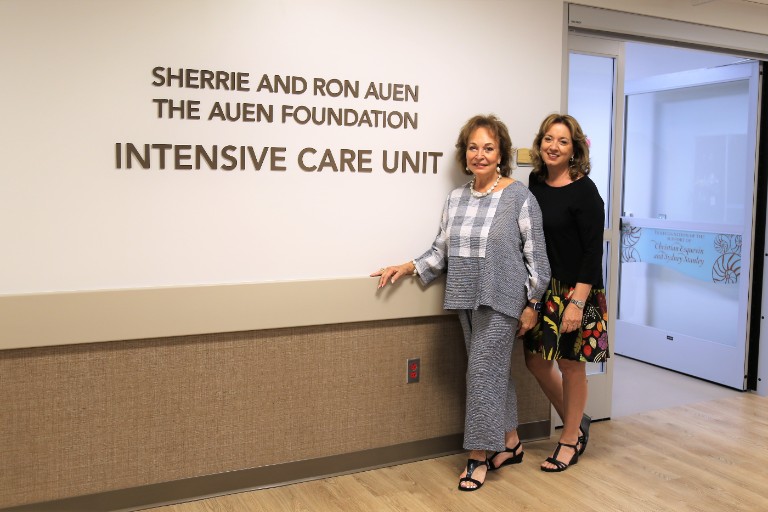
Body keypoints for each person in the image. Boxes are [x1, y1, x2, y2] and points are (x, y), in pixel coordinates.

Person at [371, 114, 550, 491]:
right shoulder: (456, 199)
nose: (480, 155)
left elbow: (538, 259)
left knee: (482, 374)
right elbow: (441, 251)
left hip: (502, 299)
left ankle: (478, 457)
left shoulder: (519, 197)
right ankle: (512, 443)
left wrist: (532, 303)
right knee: (491, 372)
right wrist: (406, 267)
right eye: (473, 148)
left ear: (500, 152)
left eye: (488, 148)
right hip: (466, 297)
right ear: (464, 153)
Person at [523, 113, 609, 473]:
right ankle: (576, 421)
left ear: (574, 149)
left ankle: (570, 438)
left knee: (571, 366)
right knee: (536, 362)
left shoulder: (585, 191)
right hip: (544, 287)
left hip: (576, 290)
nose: (552, 146)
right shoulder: (535, 181)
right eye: (548, 139)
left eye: (562, 141)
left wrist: (576, 302)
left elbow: (593, 253)